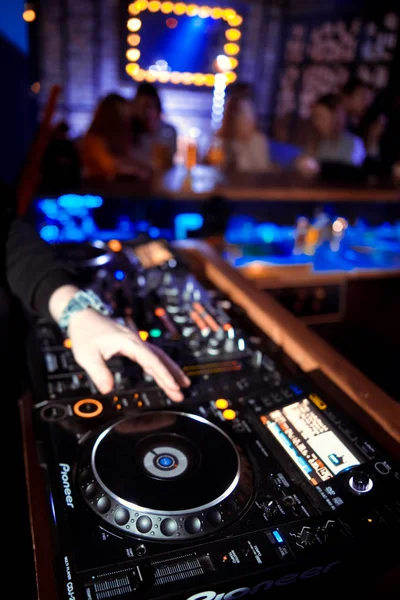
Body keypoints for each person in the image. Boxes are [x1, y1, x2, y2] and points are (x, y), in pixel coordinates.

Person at [81, 93, 149, 181]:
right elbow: (109, 167)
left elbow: (121, 161)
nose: (127, 122)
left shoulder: (118, 141)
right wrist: (137, 170)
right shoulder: (94, 141)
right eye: (122, 116)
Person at [296, 94, 366, 177]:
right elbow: (303, 162)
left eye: (320, 117)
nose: (316, 123)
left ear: (335, 117)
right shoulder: (315, 142)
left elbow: (353, 172)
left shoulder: (354, 143)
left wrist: (320, 167)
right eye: (314, 117)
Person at [213, 94, 271, 173]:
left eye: (250, 116)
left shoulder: (257, 140)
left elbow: (263, 169)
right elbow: (212, 166)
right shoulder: (221, 141)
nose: (250, 121)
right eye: (242, 116)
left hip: (252, 184)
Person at [131, 83, 177, 171]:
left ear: (157, 107)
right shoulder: (130, 132)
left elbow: (169, 164)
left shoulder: (169, 132)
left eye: (150, 106)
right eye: (142, 107)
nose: (147, 112)